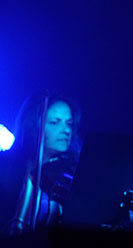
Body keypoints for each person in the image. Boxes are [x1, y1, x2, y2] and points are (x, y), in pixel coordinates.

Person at [0, 91, 82, 235]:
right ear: (34, 126)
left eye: (69, 123)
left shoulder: (73, 174)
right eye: (54, 122)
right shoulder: (7, 167)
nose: (66, 130)